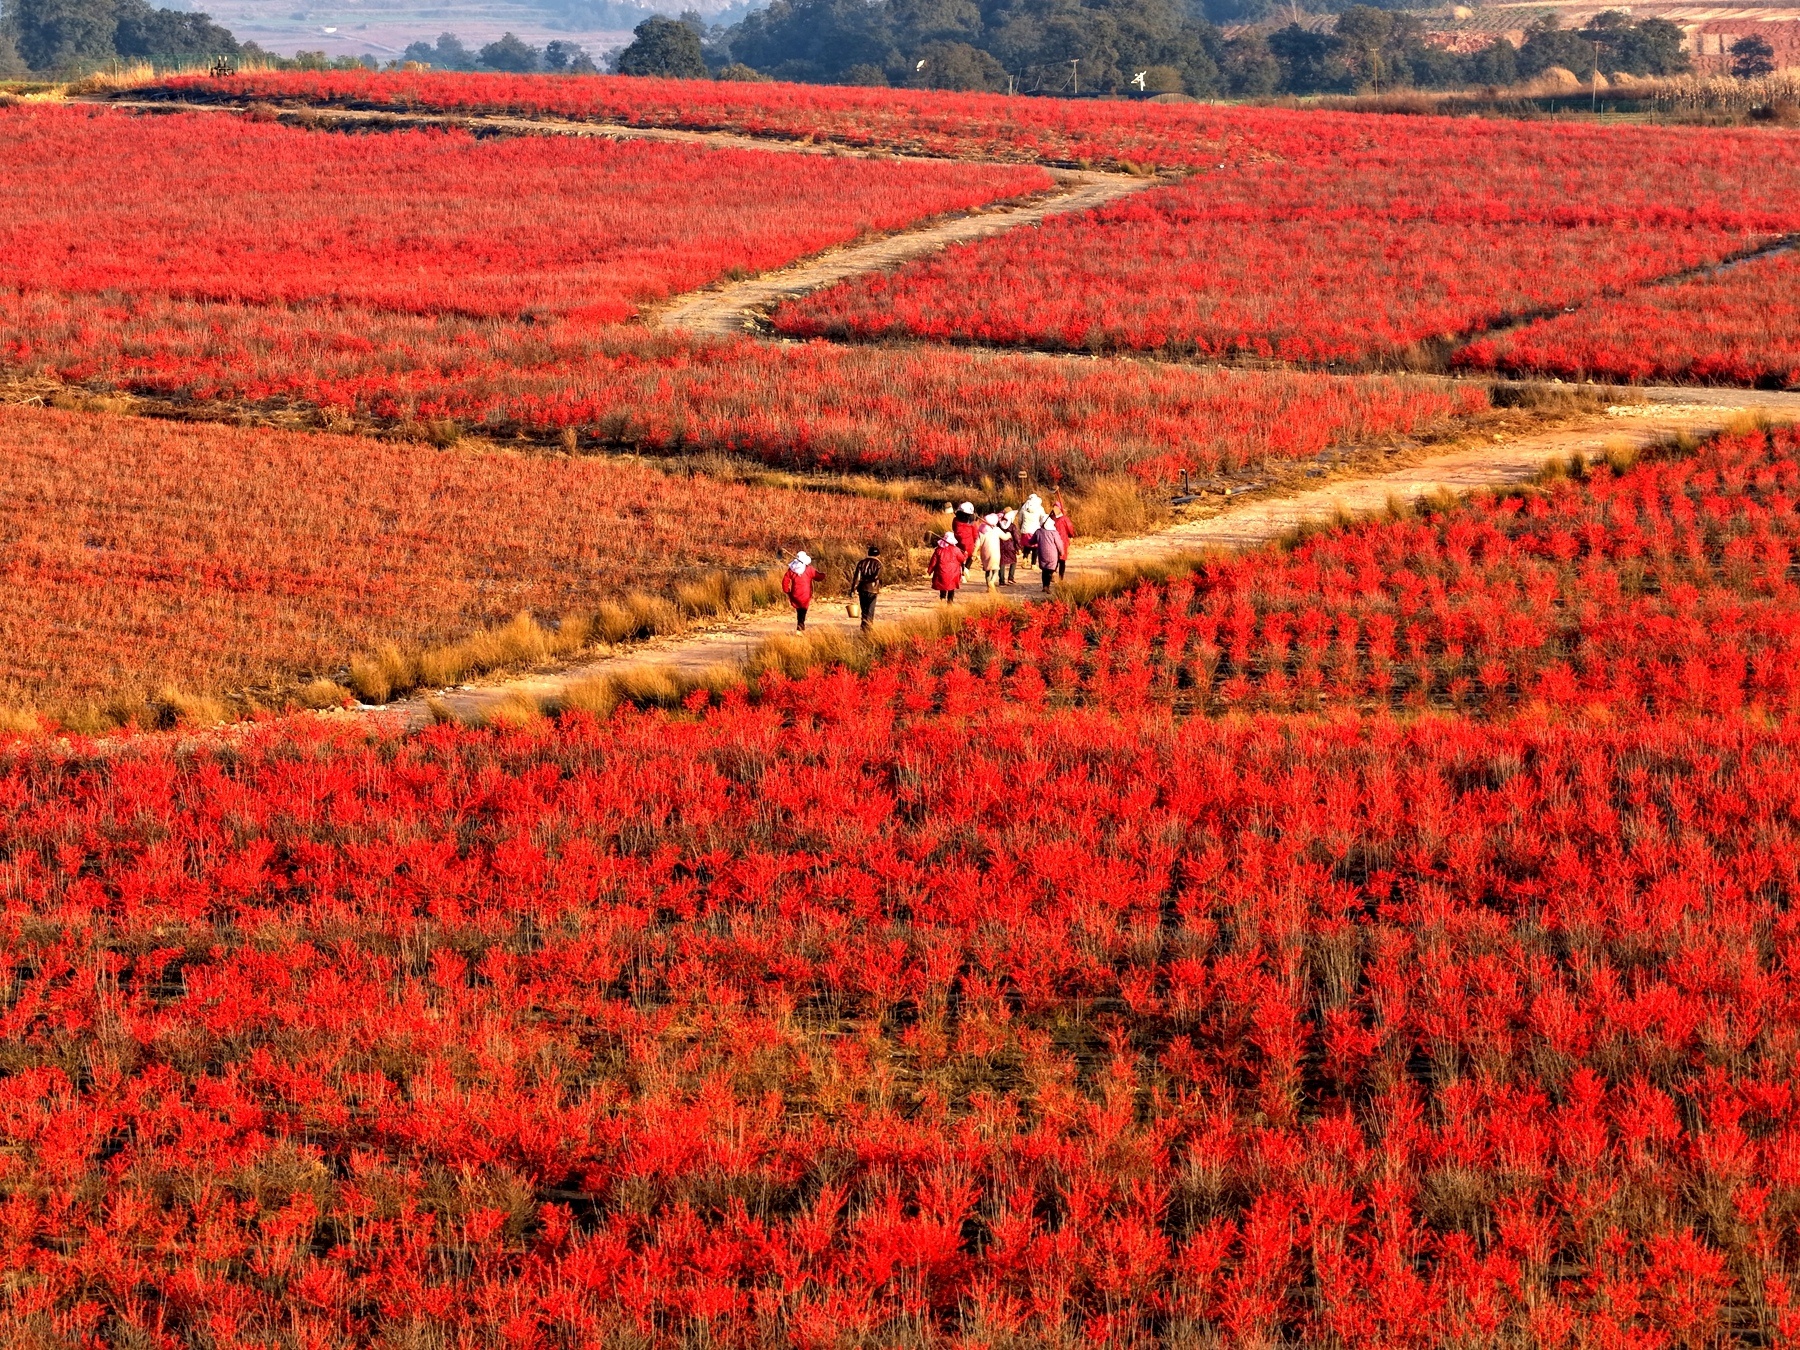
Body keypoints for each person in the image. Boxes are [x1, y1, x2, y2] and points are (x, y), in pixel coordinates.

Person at [782, 550, 818, 631]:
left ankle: (800, 624)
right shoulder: (809, 569)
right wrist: (824, 575)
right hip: (806, 593)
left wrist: (787, 590)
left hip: (795, 593)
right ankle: (800, 624)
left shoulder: (791, 570)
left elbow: (785, 580)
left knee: (799, 609)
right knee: (804, 609)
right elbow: (818, 576)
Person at [850, 544, 882, 629]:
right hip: (873, 589)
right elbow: (876, 577)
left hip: (862, 588)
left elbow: (856, 577)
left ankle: (864, 625)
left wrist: (853, 589)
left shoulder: (861, 562)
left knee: (864, 608)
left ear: (868, 553)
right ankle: (868, 626)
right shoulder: (878, 563)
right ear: (878, 555)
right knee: (870, 609)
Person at [929, 532, 964, 602]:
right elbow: (962, 559)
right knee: (951, 587)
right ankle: (950, 602)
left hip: (941, 572)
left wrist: (930, 570)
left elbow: (933, 562)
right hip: (953, 573)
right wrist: (965, 555)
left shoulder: (938, 550)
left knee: (943, 586)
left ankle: (942, 598)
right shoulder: (956, 550)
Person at [1033, 516, 1063, 592]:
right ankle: (1050, 580)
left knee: (1044, 570)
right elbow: (1059, 544)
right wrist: (1061, 552)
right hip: (1052, 554)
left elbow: (1032, 541)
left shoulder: (1038, 531)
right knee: (1050, 569)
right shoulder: (1054, 532)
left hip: (1042, 554)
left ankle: (1045, 586)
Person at [976, 514, 1004, 593]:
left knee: (987, 570)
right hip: (995, 553)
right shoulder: (996, 530)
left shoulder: (981, 531)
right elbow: (1004, 537)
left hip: (985, 553)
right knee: (995, 569)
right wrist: (1009, 535)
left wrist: (975, 552)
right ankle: (992, 581)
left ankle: (988, 587)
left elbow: (978, 543)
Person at [1017, 493, 1046, 569]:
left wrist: (1021, 527)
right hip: (1035, 529)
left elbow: (1020, 519)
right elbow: (1043, 518)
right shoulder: (1039, 508)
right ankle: (1033, 564)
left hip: (1025, 530)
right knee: (1035, 547)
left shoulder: (1024, 507)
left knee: (1026, 545)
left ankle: (1025, 558)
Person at [952, 501, 980, 577]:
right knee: (971, 556)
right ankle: (966, 569)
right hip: (969, 545)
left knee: (960, 557)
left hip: (958, 543)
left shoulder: (955, 520)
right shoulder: (972, 523)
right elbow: (975, 534)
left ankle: (962, 570)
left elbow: (954, 529)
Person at [1051, 503, 1075, 581]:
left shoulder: (1051, 518)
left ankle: (1053, 573)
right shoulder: (1064, 518)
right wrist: (1071, 535)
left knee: (1054, 558)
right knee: (1062, 559)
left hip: (1052, 540)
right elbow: (1069, 528)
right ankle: (1061, 578)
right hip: (1063, 540)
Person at [997, 508, 1018, 586]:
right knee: (1014, 561)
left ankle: (1001, 580)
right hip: (1010, 546)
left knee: (1002, 562)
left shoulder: (998, 524)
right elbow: (1016, 537)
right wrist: (1018, 547)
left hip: (1000, 545)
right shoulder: (1012, 526)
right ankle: (1010, 578)